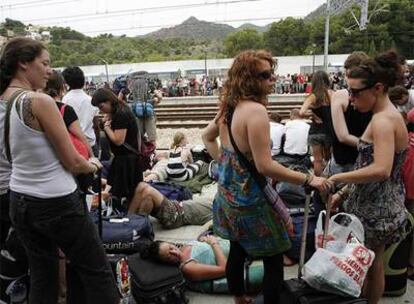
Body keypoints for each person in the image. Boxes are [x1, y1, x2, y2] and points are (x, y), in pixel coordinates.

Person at [201, 50, 328, 304]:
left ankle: (239, 298)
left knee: (237, 249)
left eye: (272, 73)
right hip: (252, 202)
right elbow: (265, 166)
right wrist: (307, 179)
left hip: (228, 197)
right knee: (274, 257)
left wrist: (227, 166)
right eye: (265, 75)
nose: (272, 79)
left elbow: (206, 136)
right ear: (248, 78)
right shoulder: (256, 111)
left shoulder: (229, 107)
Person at [0, 37, 119, 303]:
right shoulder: (37, 102)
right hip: (57, 204)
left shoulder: (3, 101)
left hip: (19, 200)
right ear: (23, 64)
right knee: (97, 273)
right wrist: (92, 165)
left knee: (43, 277)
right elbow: (73, 161)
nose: (50, 70)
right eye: (44, 63)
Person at [327, 50, 409, 304]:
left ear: (378, 88)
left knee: (371, 267)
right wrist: (343, 193)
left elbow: (381, 168)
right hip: (381, 202)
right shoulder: (388, 115)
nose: (350, 99)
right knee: (372, 265)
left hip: (377, 208)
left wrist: (339, 180)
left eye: (355, 92)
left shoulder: (384, 121)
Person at [92, 88, 143, 204]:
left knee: (126, 193)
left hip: (127, 160)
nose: (101, 111)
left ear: (108, 101)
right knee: (124, 192)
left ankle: (130, 214)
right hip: (124, 158)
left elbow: (118, 140)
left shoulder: (121, 114)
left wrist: (106, 128)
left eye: (101, 107)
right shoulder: (119, 110)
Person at [128, 182, 212, 229]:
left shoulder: (219, 214)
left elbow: (209, 226)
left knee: (147, 190)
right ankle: (129, 222)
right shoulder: (219, 201)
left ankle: (134, 226)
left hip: (177, 215)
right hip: (175, 205)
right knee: (144, 192)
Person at [299, 70, 335, 176]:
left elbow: (301, 112)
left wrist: (313, 115)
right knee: (330, 159)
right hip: (329, 131)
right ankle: (330, 182)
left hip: (315, 132)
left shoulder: (313, 96)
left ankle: (319, 185)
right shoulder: (332, 94)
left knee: (317, 160)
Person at [62, 66, 100, 156]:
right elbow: (96, 126)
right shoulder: (90, 100)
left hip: (74, 146)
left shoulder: (65, 100)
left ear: (67, 82)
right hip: (91, 143)